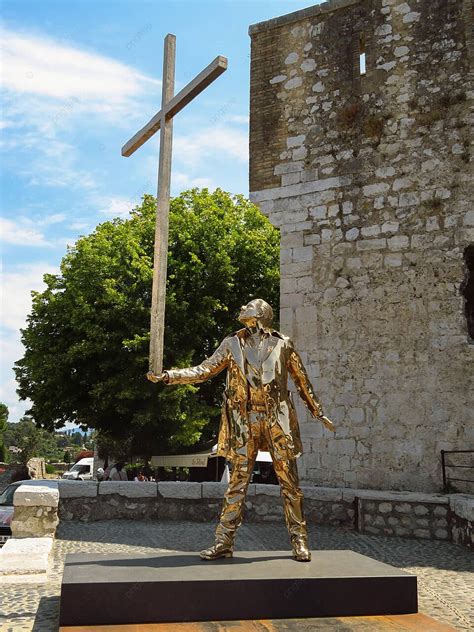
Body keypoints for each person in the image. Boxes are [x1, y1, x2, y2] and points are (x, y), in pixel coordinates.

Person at [147, 298, 335, 562]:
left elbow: (302, 380)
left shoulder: (283, 343)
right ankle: (224, 542)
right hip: (243, 422)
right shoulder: (231, 343)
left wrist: (318, 412)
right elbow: (205, 370)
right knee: (236, 484)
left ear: (261, 314)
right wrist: (169, 376)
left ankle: (299, 541)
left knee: (290, 484)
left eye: (248, 307)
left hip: (277, 421)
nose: (242, 309)